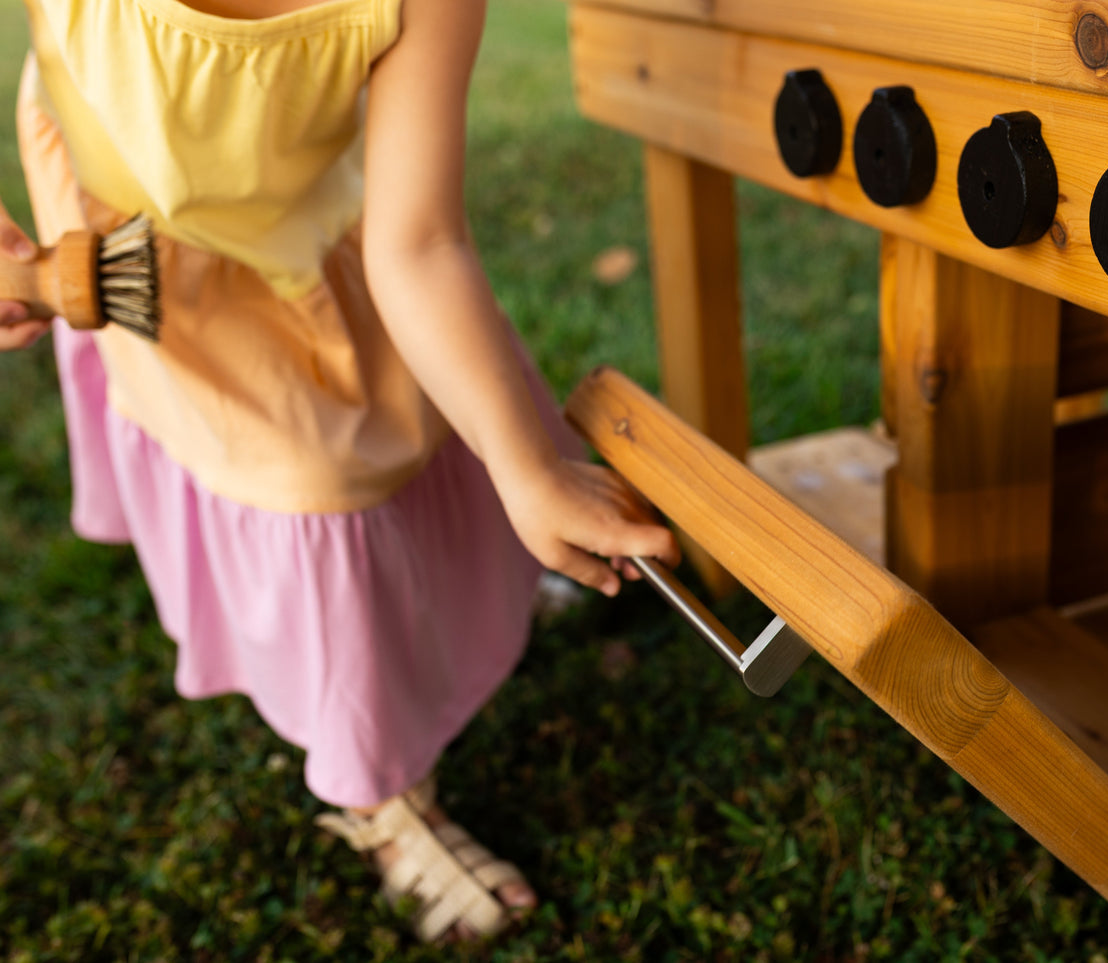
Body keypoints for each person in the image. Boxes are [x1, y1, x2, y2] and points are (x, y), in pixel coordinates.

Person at [2, 0, 680, 944]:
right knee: (312, 476)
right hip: (134, 231)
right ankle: (389, 798)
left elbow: (421, 244)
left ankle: (498, 570)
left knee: (419, 404)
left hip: (308, 218)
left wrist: (526, 469)